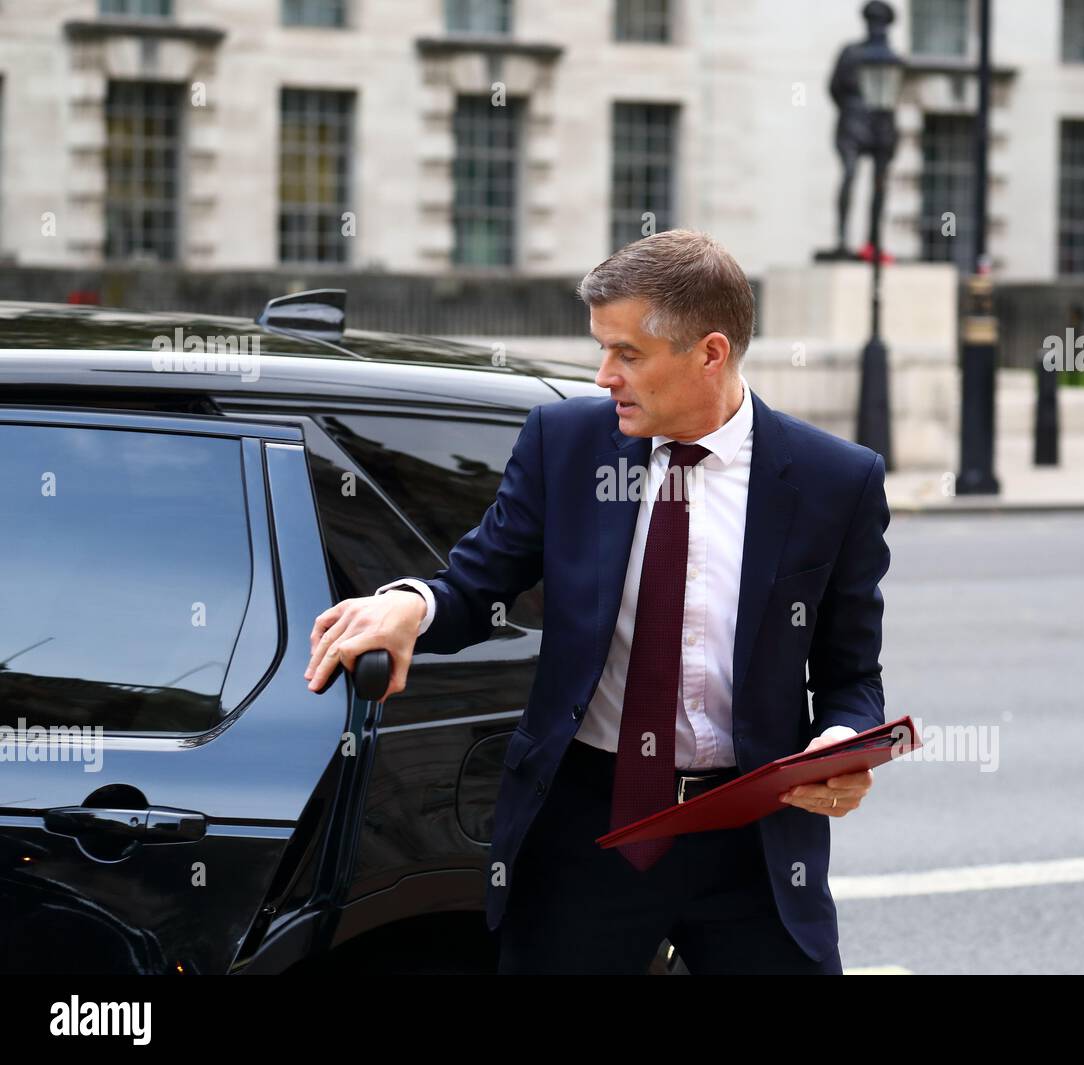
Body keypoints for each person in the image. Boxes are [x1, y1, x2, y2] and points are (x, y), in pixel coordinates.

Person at [304, 229, 892, 974]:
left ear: (710, 353)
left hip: (754, 839)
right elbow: (474, 582)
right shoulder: (566, 442)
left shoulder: (833, 480)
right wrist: (410, 605)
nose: (603, 375)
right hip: (588, 828)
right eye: (602, 348)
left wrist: (844, 740)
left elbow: (852, 674)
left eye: (628, 354)